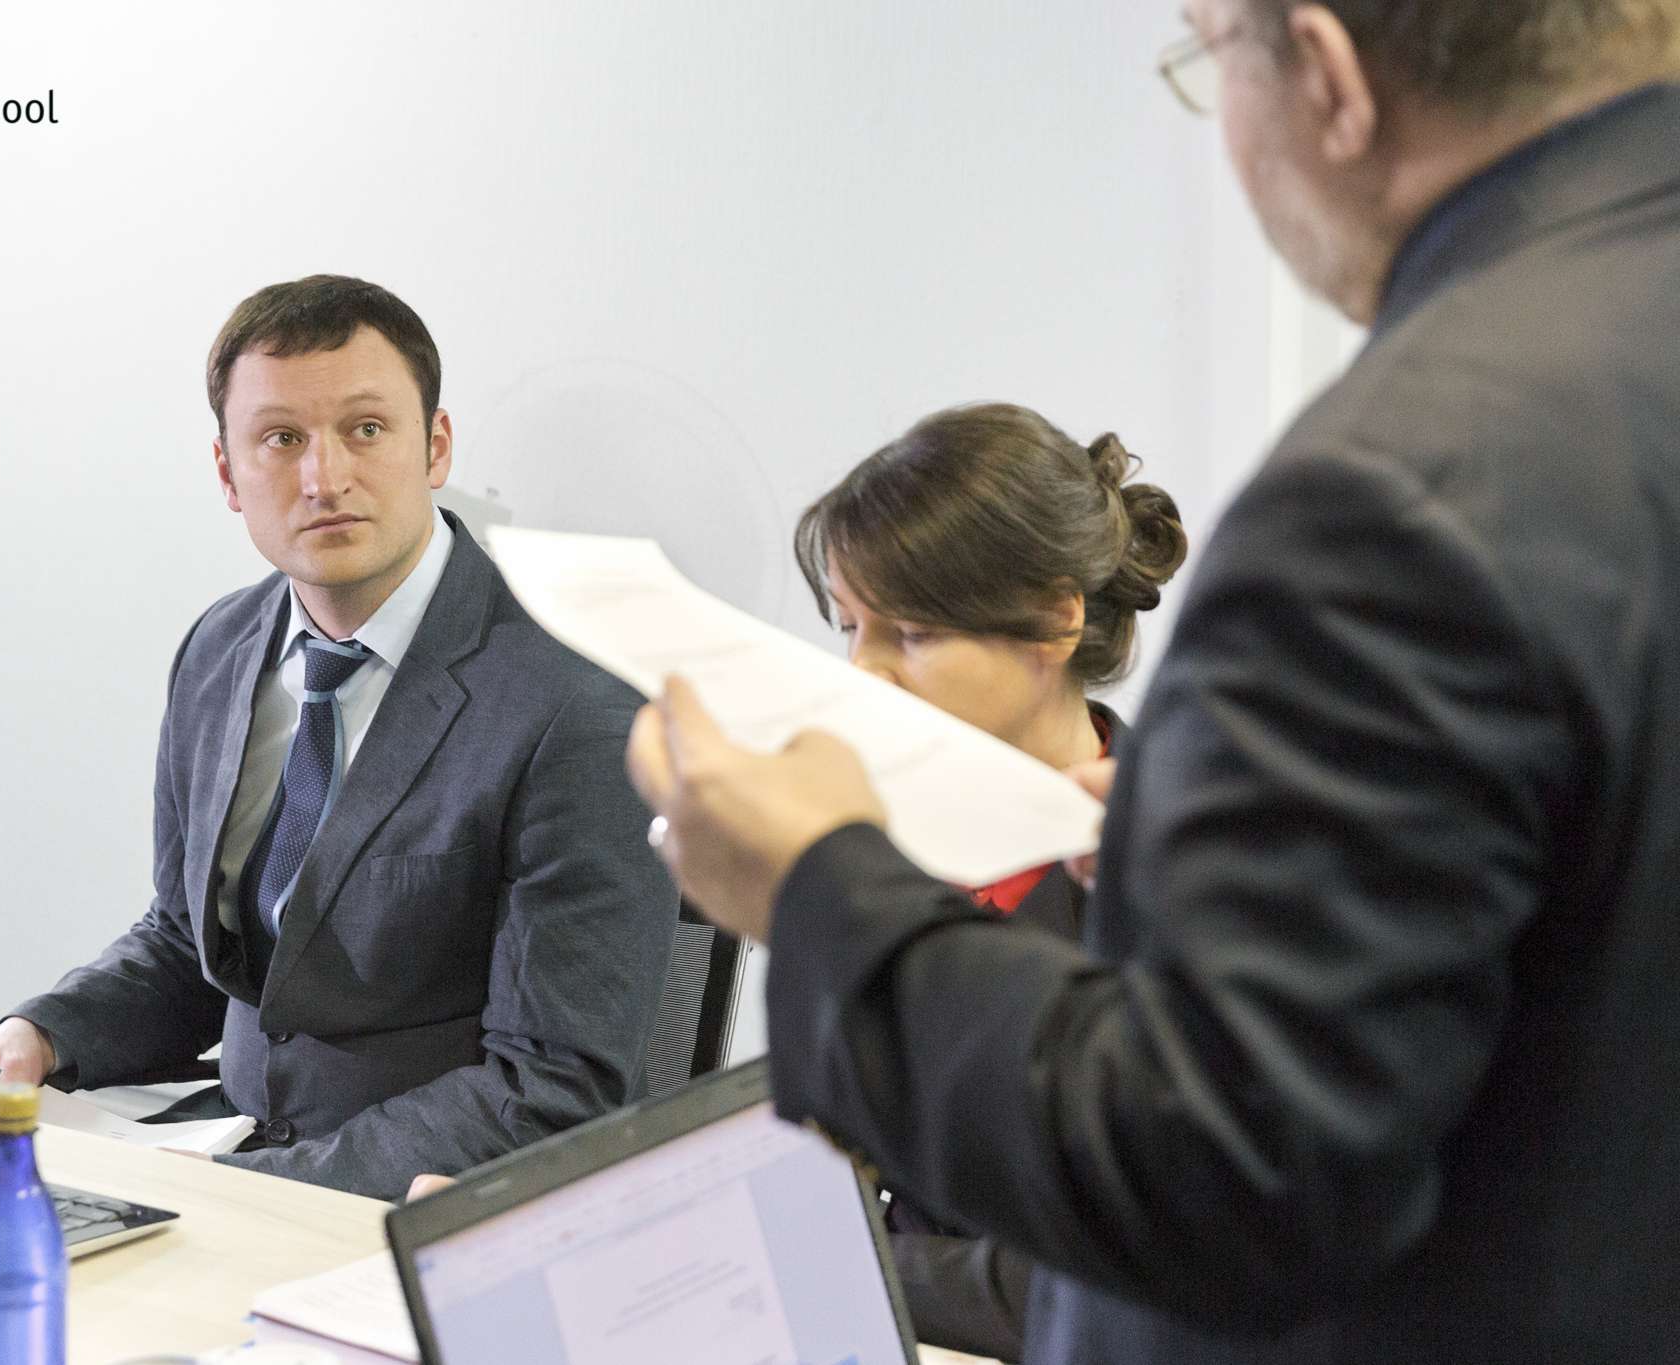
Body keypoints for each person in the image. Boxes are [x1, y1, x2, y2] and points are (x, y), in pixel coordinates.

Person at [626, 2, 1680, 1361]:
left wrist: (819, 889)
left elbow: (1218, 1176)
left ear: (1327, 76)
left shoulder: (1404, 484)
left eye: (1204, 58)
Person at [0, 275, 676, 1199]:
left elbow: (551, 1089)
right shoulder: (219, 648)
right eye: (282, 439)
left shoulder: (577, 704)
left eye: (366, 429)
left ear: (435, 446)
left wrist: (252, 1187)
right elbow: (191, 945)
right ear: (227, 473)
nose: (325, 479)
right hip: (227, 1152)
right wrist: (48, 1031)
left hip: (411, 1205)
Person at [795, 404, 1185, 1358]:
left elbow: (1096, 1278)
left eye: (912, 633)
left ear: (1056, 616)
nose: (863, 676)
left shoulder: (1176, 876)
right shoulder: (879, 846)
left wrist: (831, 1261)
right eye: (851, 628)